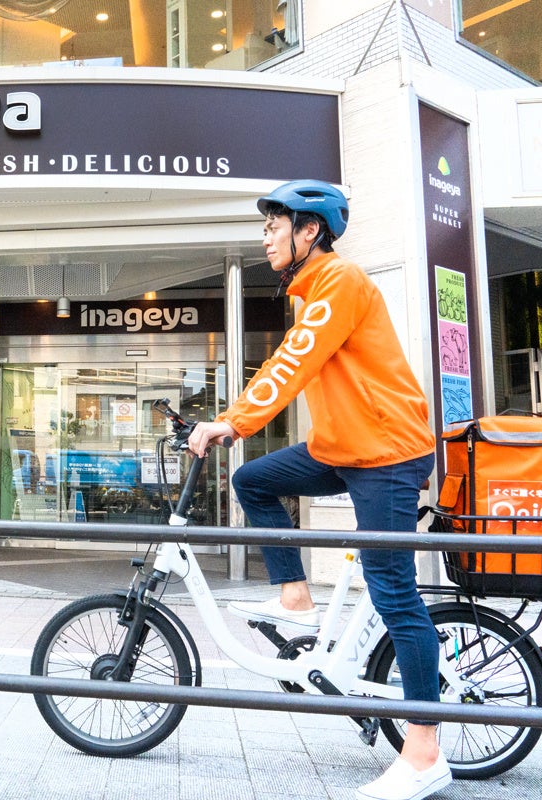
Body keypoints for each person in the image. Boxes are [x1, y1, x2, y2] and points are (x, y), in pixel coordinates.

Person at [187, 180, 449, 800]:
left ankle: (424, 752)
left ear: (310, 231)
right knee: (253, 479)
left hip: (386, 453)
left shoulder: (338, 280)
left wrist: (233, 422)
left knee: (394, 592)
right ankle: (297, 598)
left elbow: (292, 362)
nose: (265, 238)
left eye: (273, 227)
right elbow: (294, 360)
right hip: (343, 448)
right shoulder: (313, 290)